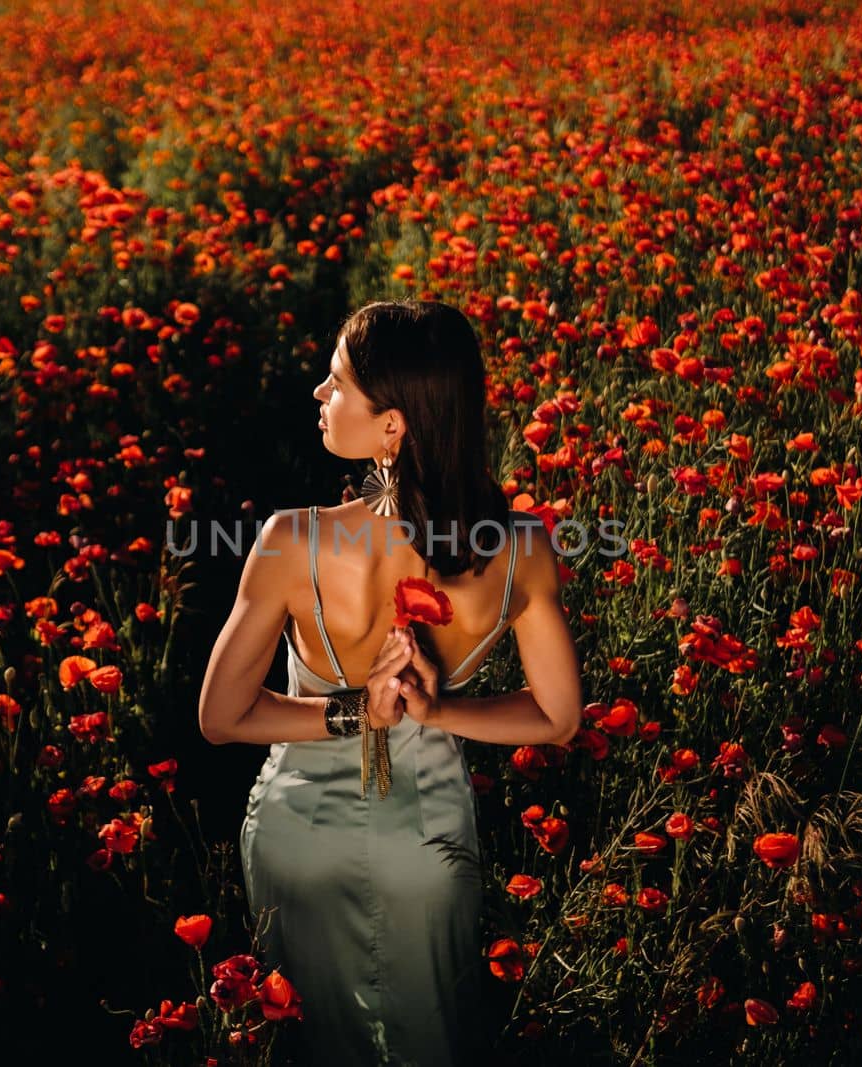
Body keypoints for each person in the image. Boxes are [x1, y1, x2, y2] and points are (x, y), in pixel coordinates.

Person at [198, 299, 583, 1065]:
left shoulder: (291, 541)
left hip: (298, 835)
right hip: (426, 843)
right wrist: (436, 710)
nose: (319, 393)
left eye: (337, 382)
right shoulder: (522, 548)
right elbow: (559, 717)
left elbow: (219, 716)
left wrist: (352, 715)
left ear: (393, 425)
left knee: (304, 1037)